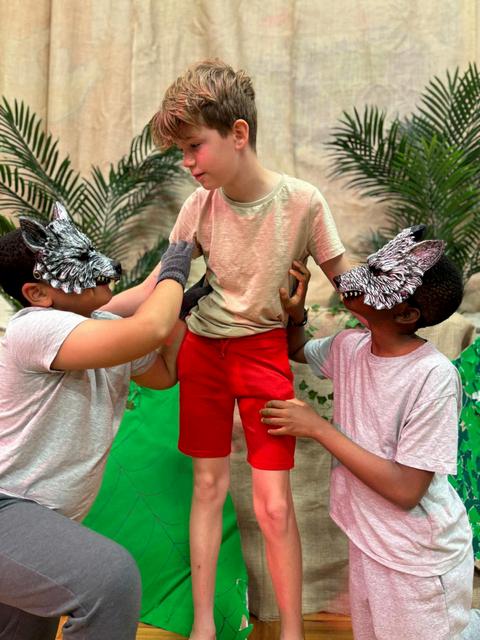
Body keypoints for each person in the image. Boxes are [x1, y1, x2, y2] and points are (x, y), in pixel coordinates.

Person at [147, 58, 349, 640]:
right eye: (181, 152)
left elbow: (351, 285)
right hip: (204, 354)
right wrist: (92, 311)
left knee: (274, 505)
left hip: (263, 355)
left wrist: (397, 324)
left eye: (194, 147)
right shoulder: (198, 207)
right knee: (208, 488)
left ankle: (292, 632)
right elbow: (160, 283)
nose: (187, 163)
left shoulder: (303, 202)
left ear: (238, 133)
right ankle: (203, 627)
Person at [260, 225, 480, 640]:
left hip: (418, 560)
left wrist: (318, 429)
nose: (353, 279)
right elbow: (297, 349)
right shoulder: (350, 347)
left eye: (379, 277)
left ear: (406, 314)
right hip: (370, 543)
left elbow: (406, 489)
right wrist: (297, 314)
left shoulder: (432, 377)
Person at [0, 203, 194, 640]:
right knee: (110, 581)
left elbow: (164, 372)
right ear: (37, 294)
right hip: (7, 508)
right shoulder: (34, 327)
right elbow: (149, 327)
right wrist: (176, 271)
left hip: (42, 520)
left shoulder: (102, 324)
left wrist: (180, 300)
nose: (103, 265)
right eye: (80, 260)